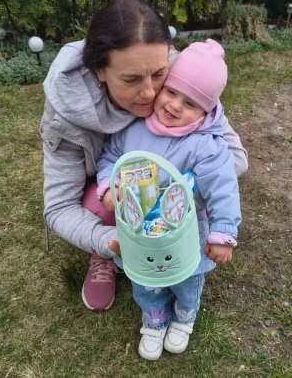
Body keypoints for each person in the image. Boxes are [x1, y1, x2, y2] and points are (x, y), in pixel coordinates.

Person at [40, 0, 248, 313]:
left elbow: (234, 157)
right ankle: (104, 257)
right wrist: (110, 240)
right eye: (131, 79)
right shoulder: (64, 111)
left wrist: (179, 195)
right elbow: (58, 207)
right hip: (108, 186)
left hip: (168, 183)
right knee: (98, 203)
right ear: (99, 71)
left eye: (159, 75)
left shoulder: (183, 76)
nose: (151, 93)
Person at [96, 39, 241, 360]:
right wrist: (109, 184)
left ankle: (185, 315)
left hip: (185, 230)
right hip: (139, 226)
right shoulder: (134, 128)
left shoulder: (206, 146)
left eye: (190, 103)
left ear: (205, 111)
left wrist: (223, 233)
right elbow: (111, 156)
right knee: (145, 278)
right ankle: (154, 317)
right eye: (171, 92)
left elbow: (223, 189)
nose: (175, 105)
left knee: (187, 277)